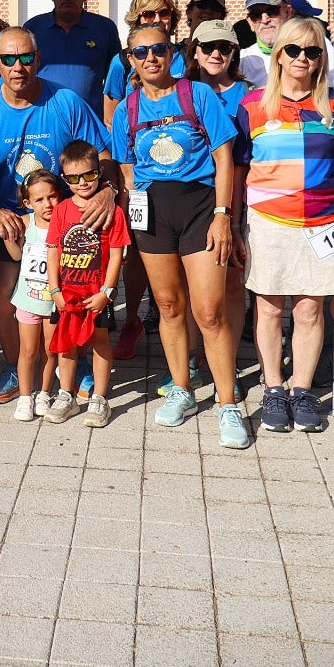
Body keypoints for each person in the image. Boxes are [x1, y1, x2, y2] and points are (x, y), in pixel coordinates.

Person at [0, 26, 115, 403]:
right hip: (11, 218)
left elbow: (103, 156)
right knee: (5, 296)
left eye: (26, 57)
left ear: (38, 59)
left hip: (66, 217)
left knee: (77, 293)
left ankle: (79, 363)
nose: (18, 66)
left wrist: (106, 191)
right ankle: (17, 364)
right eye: (9, 58)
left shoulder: (66, 102)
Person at [111, 25, 243, 445]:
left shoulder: (197, 95)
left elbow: (224, 158)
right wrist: (134, 218)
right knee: (168, 305)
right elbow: (128, 172)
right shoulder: (125, 110)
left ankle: (228, 405)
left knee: (209, 311)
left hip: (200, 209)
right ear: (129, 59)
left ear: (173, 54)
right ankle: (182, 389)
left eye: (159, 49)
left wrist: (224, 215)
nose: (151, 58)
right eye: (140, 52)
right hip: (153, 214)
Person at [235, 17, 334, 437]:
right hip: (269, 222)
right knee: (269, 308)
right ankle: (273, 388)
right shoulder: (252, 105)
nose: (303, 59)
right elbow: (237, 170)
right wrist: (233, 223)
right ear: (279, 54)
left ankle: (302, 390)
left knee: (309, 309)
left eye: (313, 51)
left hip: (324, 222)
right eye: (294, 50)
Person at [163, 18, 251, 397]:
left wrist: (232, 214)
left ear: (234, 54)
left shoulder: (247, 95)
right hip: (196, 205)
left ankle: (225, 366)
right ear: (194, 51)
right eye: (208, 46)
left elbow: (243, 160)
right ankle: (195, 359)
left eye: (225, 48)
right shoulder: (182, 92)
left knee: (230, 286)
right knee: (189, 289)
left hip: (239, 198)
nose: (217, 53)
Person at [101, 0, 185, 362]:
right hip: (136, 170)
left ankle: (178, 333)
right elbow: (111, 112)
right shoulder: (121, 61)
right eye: (148, 15)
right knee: (135, 249)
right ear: (136, 21)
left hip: (184, 173)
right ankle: (132, 317)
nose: (156, 21)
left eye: (163, 13)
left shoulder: (184, 57)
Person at [45, 141, 132, 427]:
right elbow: (53, 249)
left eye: (88, 175)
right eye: (72, 178)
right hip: (67, 293)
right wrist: (54, 289)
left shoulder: (113, 211)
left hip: (97, 293)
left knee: (100, 341)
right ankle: (66, 395)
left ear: (99, 172)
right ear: (63, 178)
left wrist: (107, 292)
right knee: (66, 345)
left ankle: (99, 397)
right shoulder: (61, 211)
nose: (81, 183)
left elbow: (117, 251)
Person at [22, 0, 123, 115]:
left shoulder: (105, 28)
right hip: (44, 119)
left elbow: (116, 77)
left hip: (91, 122)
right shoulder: (33, 28)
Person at [2, 169, 62, 421]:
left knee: (49, 350)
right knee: (27, 351)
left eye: (52, 197)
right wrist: (7, 237)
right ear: (27, 203)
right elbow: (17, 256)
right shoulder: (27, 223)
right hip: (27, 298)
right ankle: (26, 396)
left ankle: (44, 393)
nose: (47, 204)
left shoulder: (64, 222)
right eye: (39, 200)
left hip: (53, 300)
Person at [240, 0, 334, 89]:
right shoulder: (242, 59)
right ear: (250, 22)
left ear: (287, 12)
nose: (265, 20)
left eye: (272, 11)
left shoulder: (316, 44)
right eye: (256, 15)